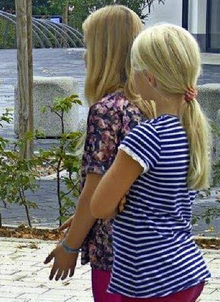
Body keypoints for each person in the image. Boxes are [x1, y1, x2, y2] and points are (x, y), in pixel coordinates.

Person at [90, 23, 211, 301]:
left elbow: (100, 206)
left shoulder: (146, 136)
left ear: (151, 78)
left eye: (135, 68)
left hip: (150, 277)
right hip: (184, 269)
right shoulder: (190, 129)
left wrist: (121, 194)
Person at [43, 5, 154, 301]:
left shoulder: (107, 111)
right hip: (151, 250)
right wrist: (80, 217)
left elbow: (96, 189)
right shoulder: (149, 105)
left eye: (88, 45)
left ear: (104, 52)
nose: (84, 55)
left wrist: (70, 246)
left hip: (115, 254)